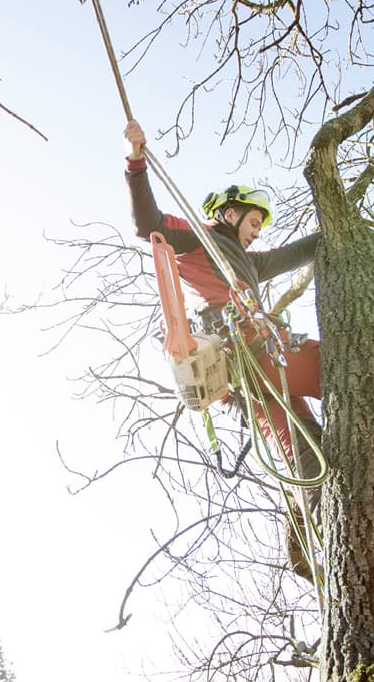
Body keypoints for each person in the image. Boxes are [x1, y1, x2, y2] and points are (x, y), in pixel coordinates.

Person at [123, 119, 324, 471]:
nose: (257, 234)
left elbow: (293, 254)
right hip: (248, 349)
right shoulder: (202, 237)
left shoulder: (249, 262)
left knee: (310, 454)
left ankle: (327, 512)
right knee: (337, 366)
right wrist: (136, 161)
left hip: (248, 378)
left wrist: (339, 229)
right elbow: (147, 223)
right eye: (254, 223)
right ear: (230, 214)